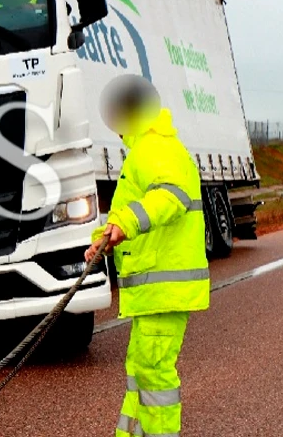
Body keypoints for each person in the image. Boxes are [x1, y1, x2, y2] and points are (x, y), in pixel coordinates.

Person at [84, 74, 210, 437]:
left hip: (163, 288)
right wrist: (103, 238)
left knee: (153, 373)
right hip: (154, 292)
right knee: (142, 369)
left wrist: (121, 225)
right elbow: (134, 207)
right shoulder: (148, 149)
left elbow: (171, 196)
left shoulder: (156, 148)